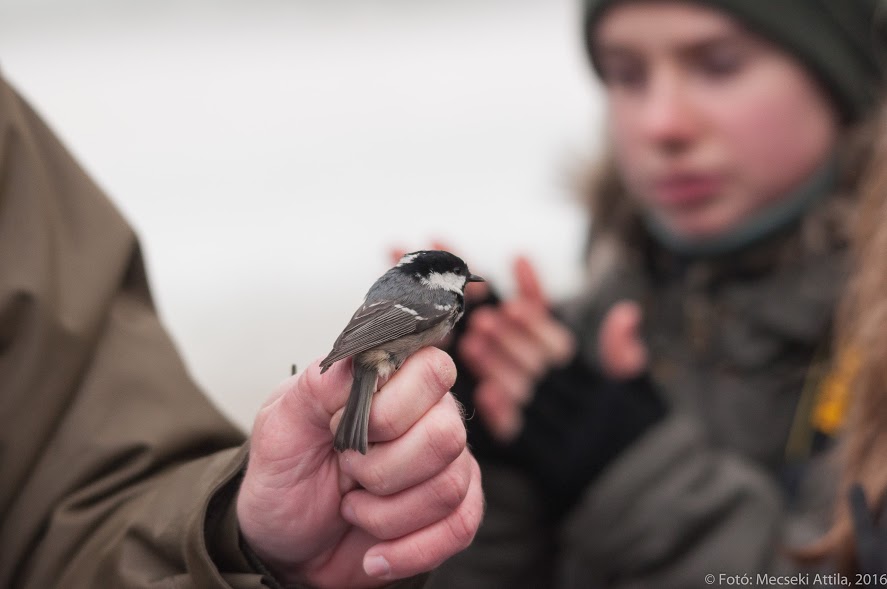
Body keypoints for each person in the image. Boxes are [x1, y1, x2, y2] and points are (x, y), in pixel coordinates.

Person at [428, 0, 887, 587]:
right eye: (627, 75)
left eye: (719, 65)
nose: (661, 124)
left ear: (842, 76)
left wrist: (637, 481)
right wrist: (478, 482)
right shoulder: (584, 338)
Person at [0, 70, 482, 588]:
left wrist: (255, 548)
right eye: (460, 276)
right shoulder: (436, 300)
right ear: (439, 277)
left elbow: (78, 508)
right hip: (375, 354)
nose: (465, 283)